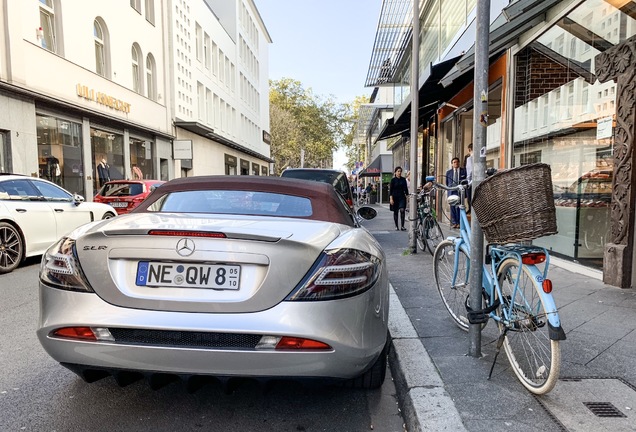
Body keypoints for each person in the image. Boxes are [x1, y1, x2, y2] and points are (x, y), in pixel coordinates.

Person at [445, 157, 466, 229]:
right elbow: (447, 183)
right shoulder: (448, 172)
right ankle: (454, 222)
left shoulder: (464, 171)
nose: (456, 163)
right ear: (452, 164)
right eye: (454, 162)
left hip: (459, 192)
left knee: (459, 207)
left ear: (459, 163)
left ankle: (460, 222)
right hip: (451, 191)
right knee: (452, 207)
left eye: (457, 162)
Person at [389, 166, 409, 231]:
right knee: (396, 212)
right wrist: (391, 199)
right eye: (398, 171)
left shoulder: (403, 180)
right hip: (394, 197)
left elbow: (405, 189)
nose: (399, 173)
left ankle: (402, 226)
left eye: (400, 171)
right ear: (395, 172)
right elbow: (391, 190)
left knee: (402, 210)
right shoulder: (393, 180)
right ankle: (396, 226)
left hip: (402, 197)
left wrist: (407, 196)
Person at [464, 143, 473, 212]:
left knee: (470, 199)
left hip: (471, 182)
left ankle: (470, 210)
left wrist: (468, 181)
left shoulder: (469, 158)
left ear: (469, 149)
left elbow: (470, 171)